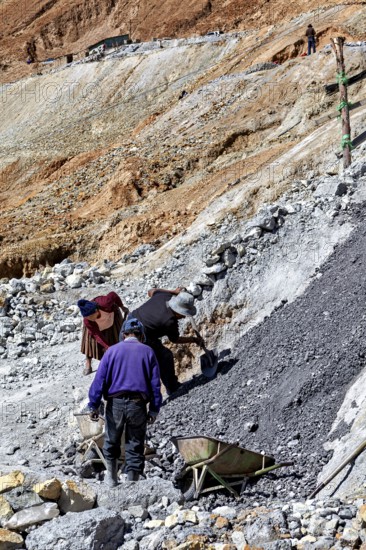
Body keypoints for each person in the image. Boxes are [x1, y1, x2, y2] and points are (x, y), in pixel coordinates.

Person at [87, 317, 162, 487]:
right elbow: (155, 384)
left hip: (115, 404)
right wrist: (154, 409)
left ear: (123, 334)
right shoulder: (148, 352)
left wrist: (94, 404)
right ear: (141, 335)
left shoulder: (111, 351)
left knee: (111, 441)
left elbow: (100, 380)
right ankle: (132, 483)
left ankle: (111, 479)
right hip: (138, 405)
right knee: (135, 445)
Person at [129, 288, 203, 395]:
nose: (183, 317)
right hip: (140, 335)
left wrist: (173, 292)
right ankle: (171, 388)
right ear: (177, 311)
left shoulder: (164, 296)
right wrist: (194, 339)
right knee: (164, 356)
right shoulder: (169, 321)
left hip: (128, 323)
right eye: (183, 314)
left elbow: (151, 291)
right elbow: (175, 339)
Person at [77, 291, 128, 375]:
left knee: (117, 336)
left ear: (96, 311)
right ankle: (88, 363)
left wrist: (122, 307)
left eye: (90, 316)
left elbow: (113, 294)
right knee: (90, 342)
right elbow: (97, 335)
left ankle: (122, 357)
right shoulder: (88, 321)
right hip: (96, 326)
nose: (89, 318)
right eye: (87, 317)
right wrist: (107, 347)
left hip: (111, 316)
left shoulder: (105, 302)